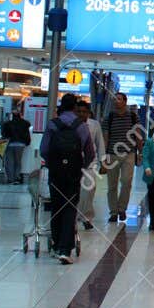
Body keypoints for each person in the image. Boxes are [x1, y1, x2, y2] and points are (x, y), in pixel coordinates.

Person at [39, 94, 94, 264]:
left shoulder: (52, 124)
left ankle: (56, 246)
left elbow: (44, 149)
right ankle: (65, 249)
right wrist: (81, 166)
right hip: (73, 172)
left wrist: (52, 164)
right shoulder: (82, 126)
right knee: (70, 207)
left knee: (56, 206)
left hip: (56, 172)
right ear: (75, 107)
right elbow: (90, 152)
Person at [101, 92, 139, 224]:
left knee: (126, 181)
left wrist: (140, 153)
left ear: (125, 102)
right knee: (112, 185)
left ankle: (122, 208)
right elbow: (105, 137)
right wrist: (104, 155)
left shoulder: (133, 117)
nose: (116, 101)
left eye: (119, 99)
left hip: (129, 154)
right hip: (112, 154)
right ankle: (113, 212)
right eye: (114, 99)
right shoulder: (109, 118)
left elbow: (138, 135)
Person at [75, 99, 105, 232]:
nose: (81, 114)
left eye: (84, 112)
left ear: (88, 113)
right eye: (79, 111)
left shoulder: (94, 125)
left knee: (89, 190)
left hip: (91, 163)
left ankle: (87, 217)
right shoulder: (72, 125)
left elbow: (100, 143)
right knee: (76, 191)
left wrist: (103, 161)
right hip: (75, 163)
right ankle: (75, 216)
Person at [0, 103, 32, 185]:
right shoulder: (25, 123)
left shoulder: (7, 124)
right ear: (20, 114)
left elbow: (4, 133)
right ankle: (17, 178)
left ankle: (11, 179)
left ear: (12, 115)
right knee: (18, 162)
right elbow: (27, 135)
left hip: (10, 144)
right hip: (20, 145)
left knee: (10, 162)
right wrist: (27, 142)